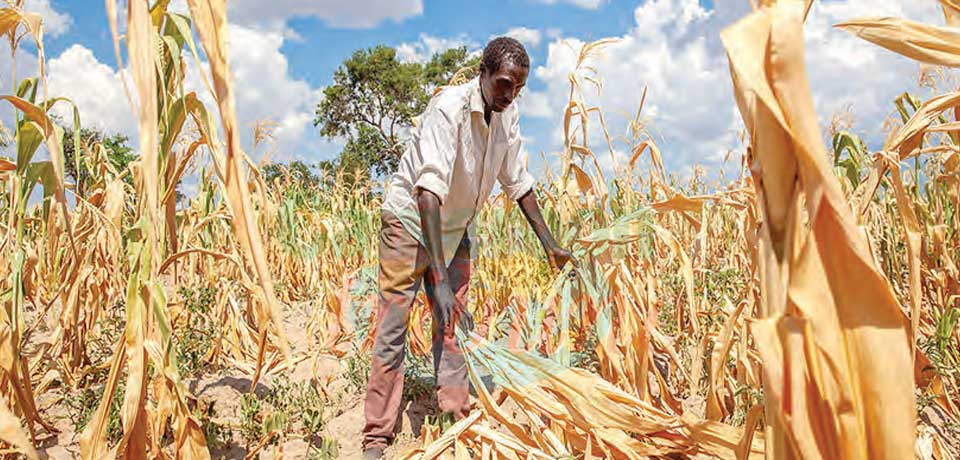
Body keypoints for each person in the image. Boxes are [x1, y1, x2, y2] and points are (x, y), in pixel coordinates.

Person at [362, 36, 575, 459]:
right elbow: (428, 194)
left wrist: (550, 244)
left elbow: (519, 182)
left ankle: (455, 411)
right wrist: (437, 278)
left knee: (454, 321)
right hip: (410, 223)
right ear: (483, 73)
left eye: (518, 87)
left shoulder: (506, 114)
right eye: (503, 83)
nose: (510, 94)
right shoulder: (449, 110)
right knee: (393, 327)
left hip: (457, 226)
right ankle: (376, 437)